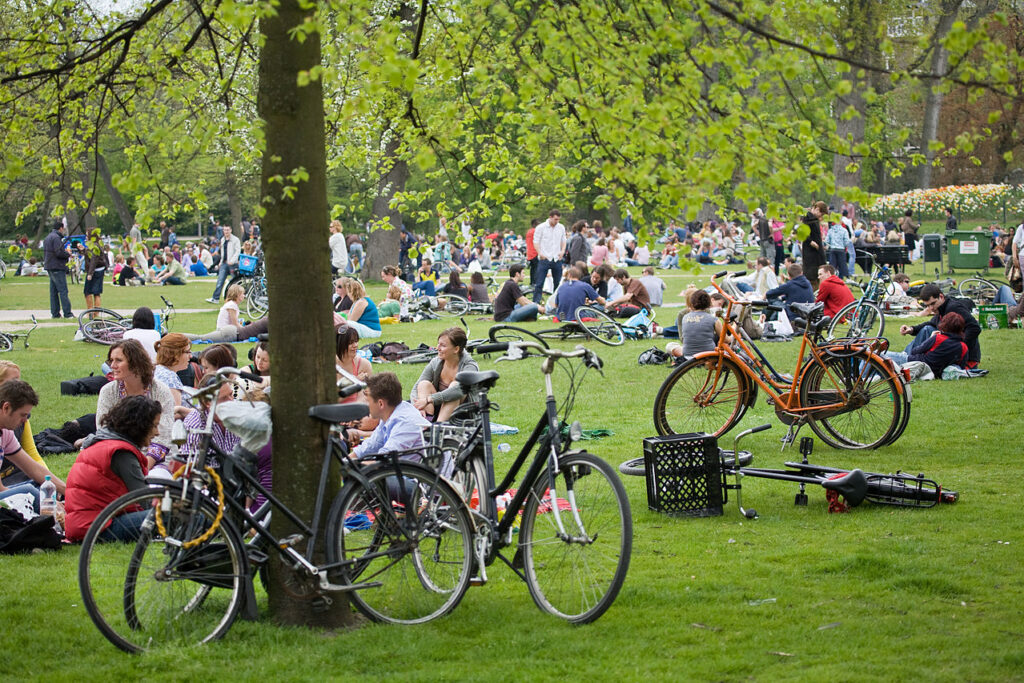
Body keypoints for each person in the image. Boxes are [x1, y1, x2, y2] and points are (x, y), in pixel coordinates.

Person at [63, 396, 163, 542]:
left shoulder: (103, 443)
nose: (157, 432)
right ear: (140, 426)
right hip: (100, 527)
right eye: (154, 426)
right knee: (173, 515)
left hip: (85, 524)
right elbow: (144, 499)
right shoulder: (121, 453)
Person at [96, 339, 176, 469]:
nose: (112, 366)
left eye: (119, 360)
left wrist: (143, 468)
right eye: (111, 360)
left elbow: (164, 435)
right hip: (120, 455)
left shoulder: (160, 391)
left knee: (154, 483)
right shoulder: (108, 391)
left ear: (135, 363)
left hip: (157, 459)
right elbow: (103, 430)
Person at [0, 380, 66, 512]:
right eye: (23, 415)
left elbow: (34, 469)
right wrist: (48, 502)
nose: (25, 420)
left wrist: (71, 492)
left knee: (43, 485)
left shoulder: (5, 432)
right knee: (30, 492)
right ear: (6, 407)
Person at [899, 283, 981, 367]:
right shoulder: (942, 309)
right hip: (953, 352)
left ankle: (905, 359)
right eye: (927, 306)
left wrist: (956, 344)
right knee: (927, 328)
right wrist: (912, 329)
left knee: (927, 329)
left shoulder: (954, 308)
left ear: (941, 297)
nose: (931, 308)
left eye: (933, 303)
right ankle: (906, 357)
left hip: (965, 357)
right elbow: (931, 323)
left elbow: (975, 328)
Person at [352, 373, 429, 459]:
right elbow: (371, 446)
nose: (366, 405)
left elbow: (385, 459)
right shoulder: (389, 413)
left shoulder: (405, 422)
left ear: (381, 403)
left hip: (423, 471)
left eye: (367, 401)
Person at [412, 327, 479, 422]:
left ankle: (439, 427)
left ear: (456, 349)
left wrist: (428, 400)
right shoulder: (436, 362)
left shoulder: (470, 366)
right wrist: (419, 406)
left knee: (454, 386)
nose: (437, 348)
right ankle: (426, 421)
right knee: (423, 384)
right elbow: (416, 387)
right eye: (438, 344)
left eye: (442, 345)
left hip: (463, 414)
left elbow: (459, 390)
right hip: (439, 408)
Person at [886, 312, 968, 377]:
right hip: (934, 372)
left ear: (945, 324)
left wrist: (930, 338)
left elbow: (915, 351)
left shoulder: (938, 338)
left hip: (915, 362)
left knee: (879, 355)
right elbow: (961, 366)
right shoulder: (963, 347)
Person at [676, 290, 726, 360]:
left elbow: (683, 338)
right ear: (709, 302)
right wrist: (735, 328)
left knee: (671, 345)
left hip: (688, 357)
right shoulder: (713, 319)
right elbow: (726, 339)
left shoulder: (685, 317)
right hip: (709, 356)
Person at [533, 209, 567, 303]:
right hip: (544, 258)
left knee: (558, 283)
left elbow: (563, 240)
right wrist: (540, 253)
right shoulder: (541, 227)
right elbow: (536, 241)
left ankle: (557, 302)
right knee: (539, 283)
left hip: (556, 258)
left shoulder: (561, 227)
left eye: (558, 219)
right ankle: (536, 304)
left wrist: (562, 251)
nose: (557, 221)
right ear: (550, 217)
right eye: (555, 219)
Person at [43, 219, 73, 318]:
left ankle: (55, 313)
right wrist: (67, 254)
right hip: (57, 266)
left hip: (50, 266)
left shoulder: (48, 237)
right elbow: (58, 252)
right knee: (63, 290)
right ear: (61, 228)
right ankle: (67, 313)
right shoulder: (56, 238)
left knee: (54, 291)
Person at [153, 333, 193, 407]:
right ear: (175, 354)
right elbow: (174, 413)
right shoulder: (169, 378)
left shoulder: (158, 370)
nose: (191, 356)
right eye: (187, 352)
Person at [336, 327, 372, 405]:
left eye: (356, 341)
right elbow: (332, 400)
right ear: (340, 344)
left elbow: (370, 397)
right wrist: (355, 382)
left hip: (358, 411)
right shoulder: (331, 365)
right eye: (350, 343)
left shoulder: (364, 365)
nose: (355, 345)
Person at [207, 224, 241, 304]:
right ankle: (215, 298)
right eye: (225, 230)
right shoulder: (222, 239)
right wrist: (220, 262)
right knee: (220, 280)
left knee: (234, 282)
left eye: (227, 230)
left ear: (231, 230)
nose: (226, 232)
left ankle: (235, 298)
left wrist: (232, 260)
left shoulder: (235, 240)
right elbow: (222, 252)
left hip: (233, 264)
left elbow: (237, 251)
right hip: (224, 263)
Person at [801, 201, 828, 290]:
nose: (821, 217)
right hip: (811, 253)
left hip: (817, 253)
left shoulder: (814, 219)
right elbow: (802, 231)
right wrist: (810, 241)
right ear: (817, 209)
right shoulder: (807, 217)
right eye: (821, 214)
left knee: (818, 276)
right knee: (812, 276)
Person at [83, 242, 106, 311]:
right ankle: (96, 311)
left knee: (87, 292)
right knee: (97, 292)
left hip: (94, 270)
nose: (86, 238)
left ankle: (90, 311)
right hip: (99, 269)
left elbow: (93, 260)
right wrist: (83, 250)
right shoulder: (98, 244)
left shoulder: (95, 246)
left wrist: (90, 273)